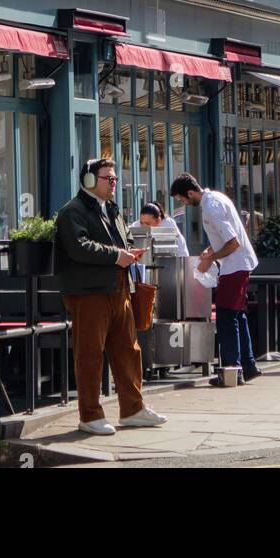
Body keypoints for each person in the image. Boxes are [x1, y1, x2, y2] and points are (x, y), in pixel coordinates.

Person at [54, 157, 167, 436]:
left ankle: (133, 409)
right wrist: (117, 256)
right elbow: (78, 247)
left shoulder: (112, 209)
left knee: (128, 350)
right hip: (89, 292)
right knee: (90, 353)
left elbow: (125, 240)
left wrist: (128, 252)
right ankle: (90, 415)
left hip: (118, 288)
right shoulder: (73, 211)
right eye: (108, 178)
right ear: (89, 181)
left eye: (115, 178)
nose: (114, 183)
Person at [171, 173, 260, 385]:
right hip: (240, 264)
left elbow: (233, 242)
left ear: (190, 192)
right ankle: (247, 366)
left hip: (234, 266)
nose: (184, 203)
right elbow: (226, 238)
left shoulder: (210, 208)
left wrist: (211, 257)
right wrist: (210, 249)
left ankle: (232, 370)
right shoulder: (217, 198)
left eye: (183, 199)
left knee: (226, 315)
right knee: (237, 315)